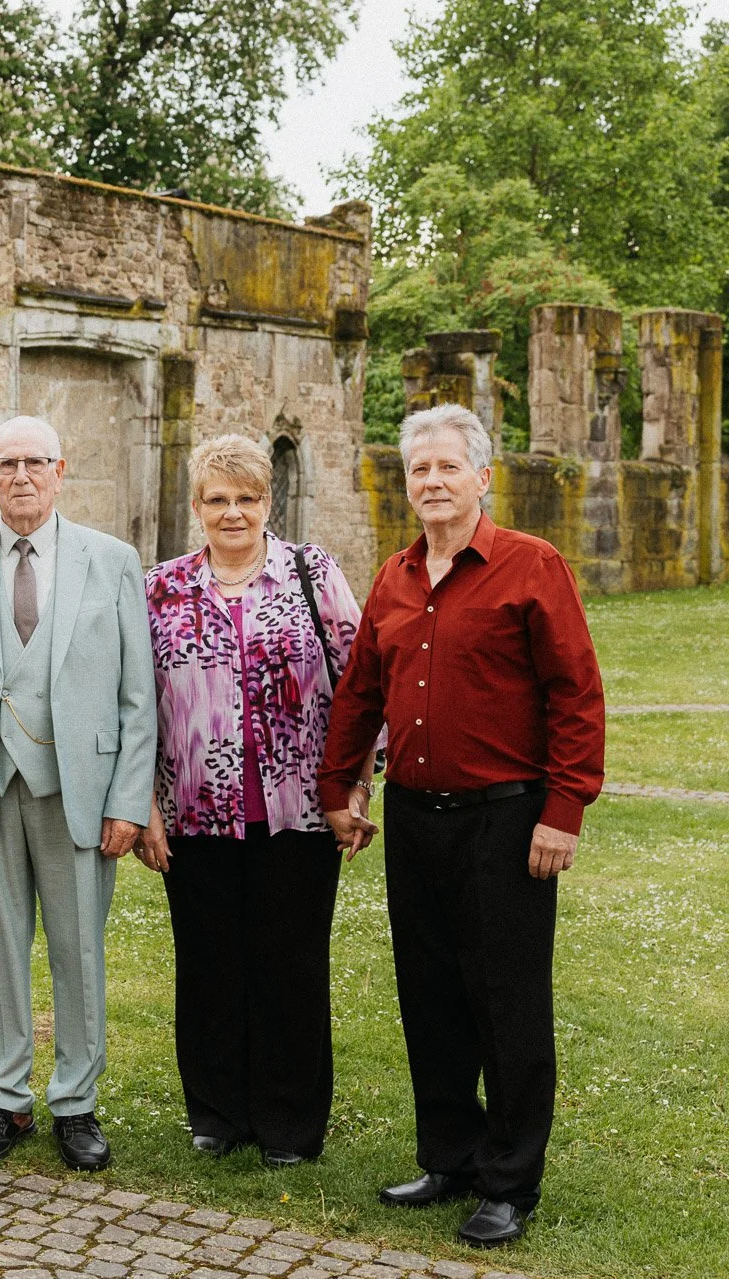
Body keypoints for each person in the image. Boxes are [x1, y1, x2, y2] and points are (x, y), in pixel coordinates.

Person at [321, 404, 604, 1248]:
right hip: (413, 819)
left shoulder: (531, 566)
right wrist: (343, 788)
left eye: (449, 467)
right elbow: (361, 692)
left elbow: (575, 695)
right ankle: (450, 1156)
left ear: (484, 476)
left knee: (507, 1003)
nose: (433, 482)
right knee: (432, 996)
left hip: (507, 820)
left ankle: (510, 1181)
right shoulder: (396, 576)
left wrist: (564, 809)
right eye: (420, 470)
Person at [0, 415, 155, 1172]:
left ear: (60, 470)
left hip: (79, 785)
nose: (21, 475)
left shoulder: (111, 561)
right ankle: (4, 1097)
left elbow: (136, 697)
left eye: (36, 462)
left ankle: (77, 1103)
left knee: (80, 948)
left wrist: (127, 798)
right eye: (6, 463)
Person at [134, 433, 366, 1168]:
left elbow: (363, 683)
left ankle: (289, 1125)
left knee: (290, 966)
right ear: (196, 506)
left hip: (300, 811)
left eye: (247, 498)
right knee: (208, 964)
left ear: (269, 501)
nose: (232, 512)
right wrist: (144, 805)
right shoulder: (160, 587)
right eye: (217, 499)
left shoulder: (312, 572)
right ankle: (217, 1112)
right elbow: (133, 702)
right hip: (195, 810)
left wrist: (356, 784)